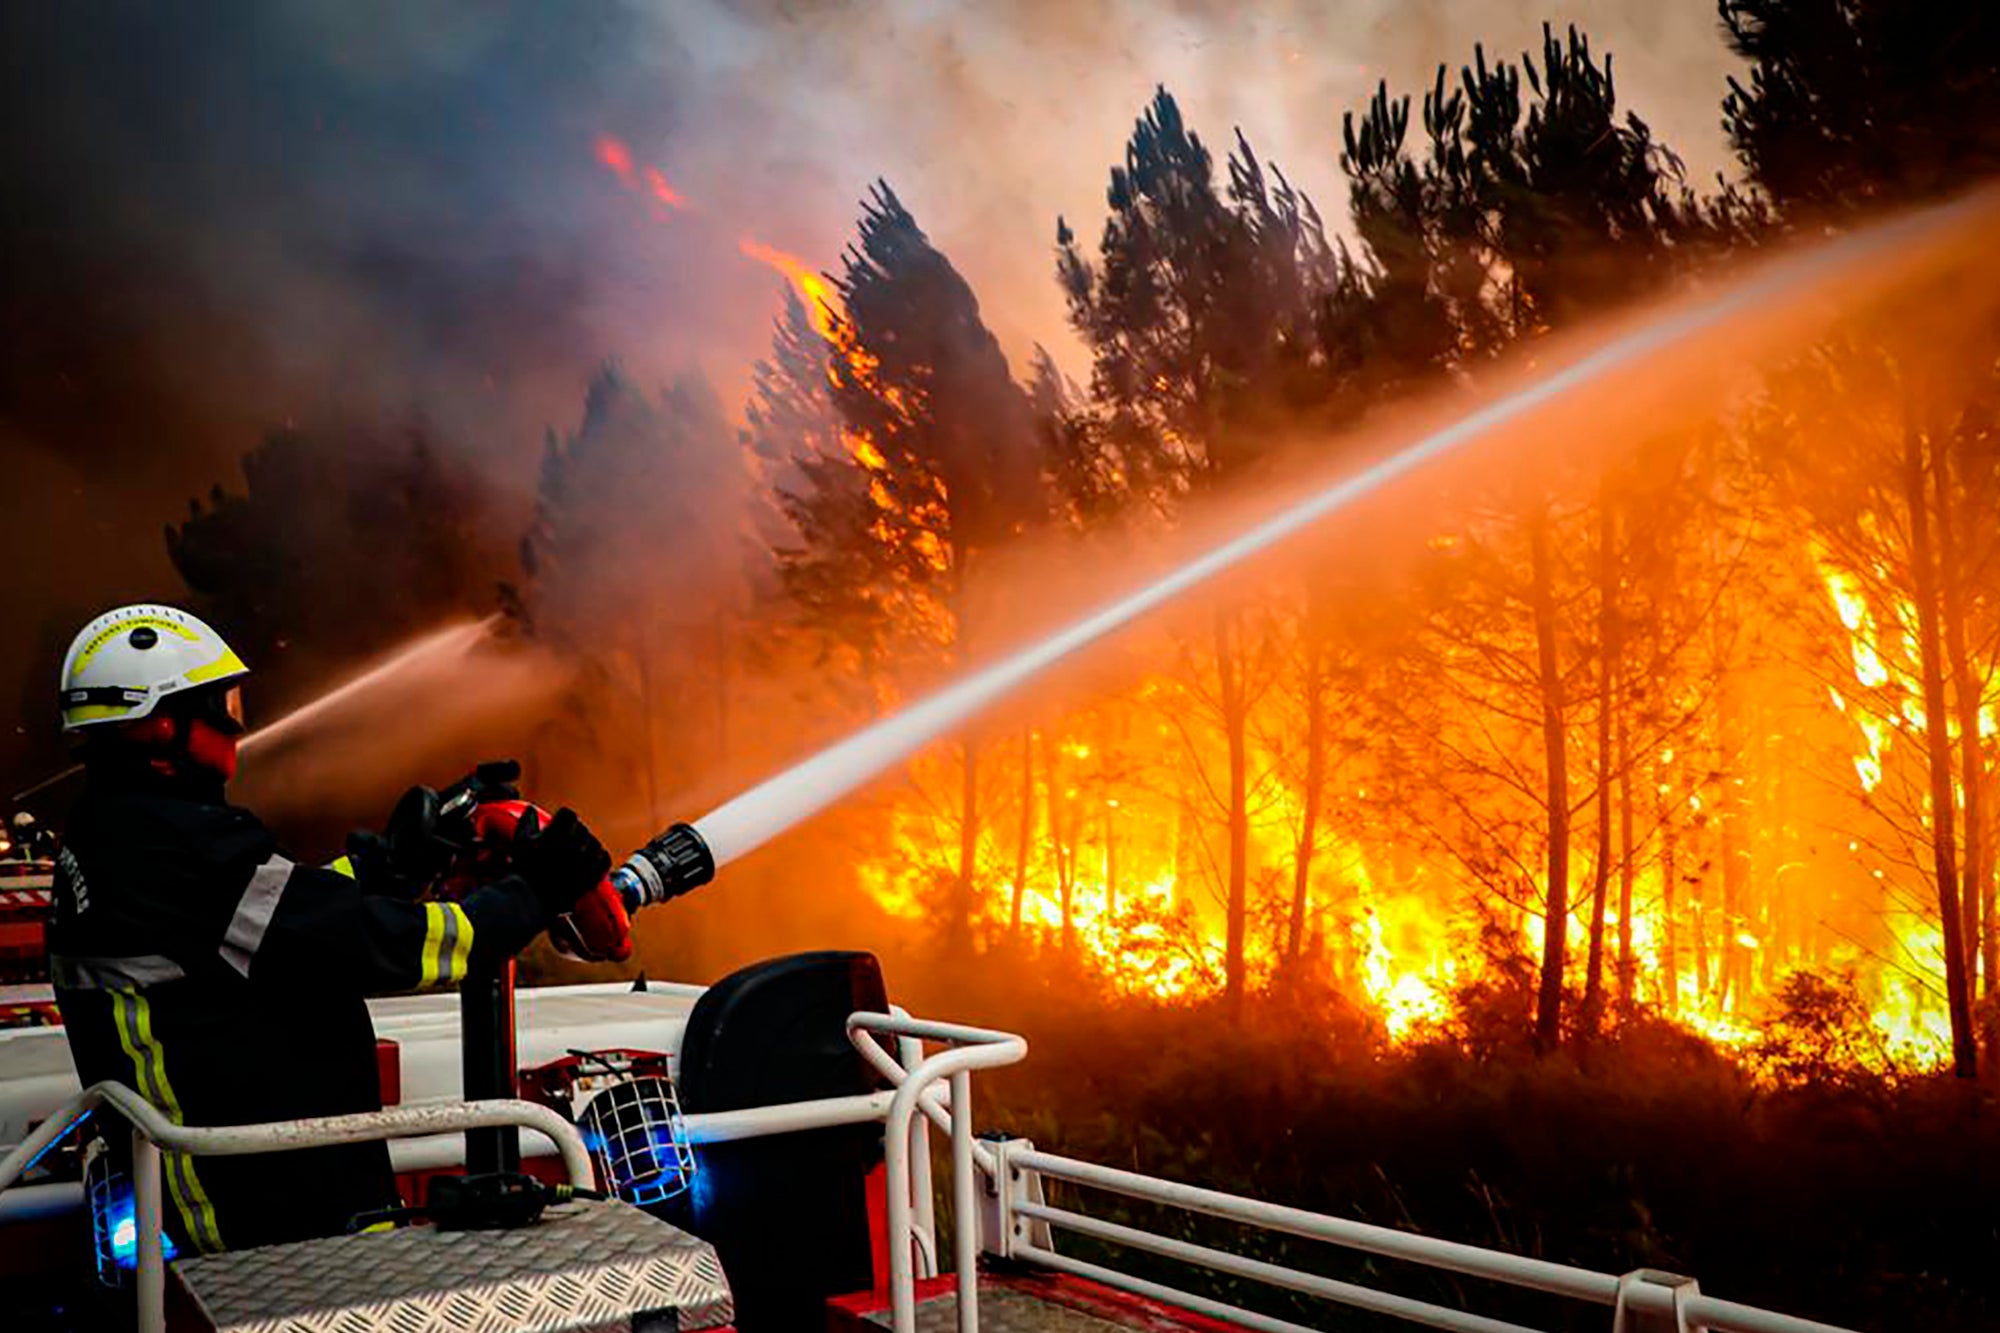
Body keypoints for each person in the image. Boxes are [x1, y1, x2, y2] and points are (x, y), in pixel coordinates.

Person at [46, 604, 610, 1253]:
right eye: (221, 705)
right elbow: (389, 948)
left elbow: (281, 917)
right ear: (163, 728)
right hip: (267, 1210)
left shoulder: (121, 833)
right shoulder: (183, 849)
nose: (235, 723)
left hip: (264, 1183)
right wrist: (538, 891)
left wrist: (390, 864)